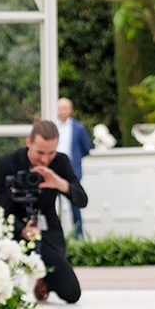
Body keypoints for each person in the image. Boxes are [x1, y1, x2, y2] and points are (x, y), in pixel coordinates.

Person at [0, 119, 88, 304]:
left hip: (48, 231)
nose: (45, 159)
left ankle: (44, 278)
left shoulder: (60, 162)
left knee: (71, 292)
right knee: (4, 291)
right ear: (28, 142)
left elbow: (82, 200)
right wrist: (22, 229)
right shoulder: (7, 163)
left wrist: (59, 183)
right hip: (14, 230)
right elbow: (2, 208)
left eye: (51, 152)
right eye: (40, 152)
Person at [55, 96, 91, 237]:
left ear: (70, 110)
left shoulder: (78, 127)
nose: (62, 111)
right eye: (60, 108)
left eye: (65, 108)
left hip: (72, 169)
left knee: (75, 203)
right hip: (54, 168)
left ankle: (78, 236)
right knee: (53, 203)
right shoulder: (53, 125)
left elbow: (85, 149)